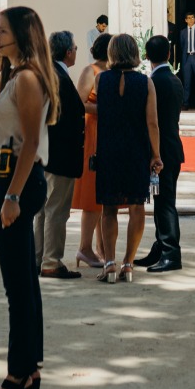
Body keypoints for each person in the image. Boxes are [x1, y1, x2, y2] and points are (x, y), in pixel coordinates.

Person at [0, 6, 53, 389]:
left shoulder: (26, 78)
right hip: (9, 180)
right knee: (25, 282)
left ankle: (18, 374)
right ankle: (30, 369)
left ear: (22, 36)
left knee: (17, 288)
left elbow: (29, 143)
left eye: (2, 31)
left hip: (17, 180)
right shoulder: (18, 75)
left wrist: (10, 197)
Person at [92, 32, 160, 283]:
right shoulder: (146, 83)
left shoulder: (100, 79)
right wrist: (156, 154)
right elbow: (152, 123)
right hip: (136, 150)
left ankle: (109, 262)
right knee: (136, 206)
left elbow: (104, 111)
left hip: (109, 148)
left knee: (108, 208)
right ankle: (128, 263)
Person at [37, 31, 86, 280]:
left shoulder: (50, 74)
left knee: (44, 210)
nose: (76, 51)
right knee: (56, 211)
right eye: (75, 48)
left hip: (48, 155)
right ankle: (51, 261)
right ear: (68, 52)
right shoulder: (58, 78)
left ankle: (39, 257)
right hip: (60, 155)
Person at [136, 34, 186, 273]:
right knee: (163, 201)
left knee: (165, 203)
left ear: (146, 56)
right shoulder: (174, 80)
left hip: (161, 150)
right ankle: (160, 247)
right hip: (172, 147)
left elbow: (151, 121)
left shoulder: (153, 82)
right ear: (169, 54)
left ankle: (170, 252)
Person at [72, 32, 109, 271]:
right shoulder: (91, 71)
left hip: (105, 134)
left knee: (102, 195)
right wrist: (104, 108)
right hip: (93, 134)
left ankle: (101, 247)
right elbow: (79, 103)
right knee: (92, 194)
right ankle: (84, 247)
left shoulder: (111, 72)